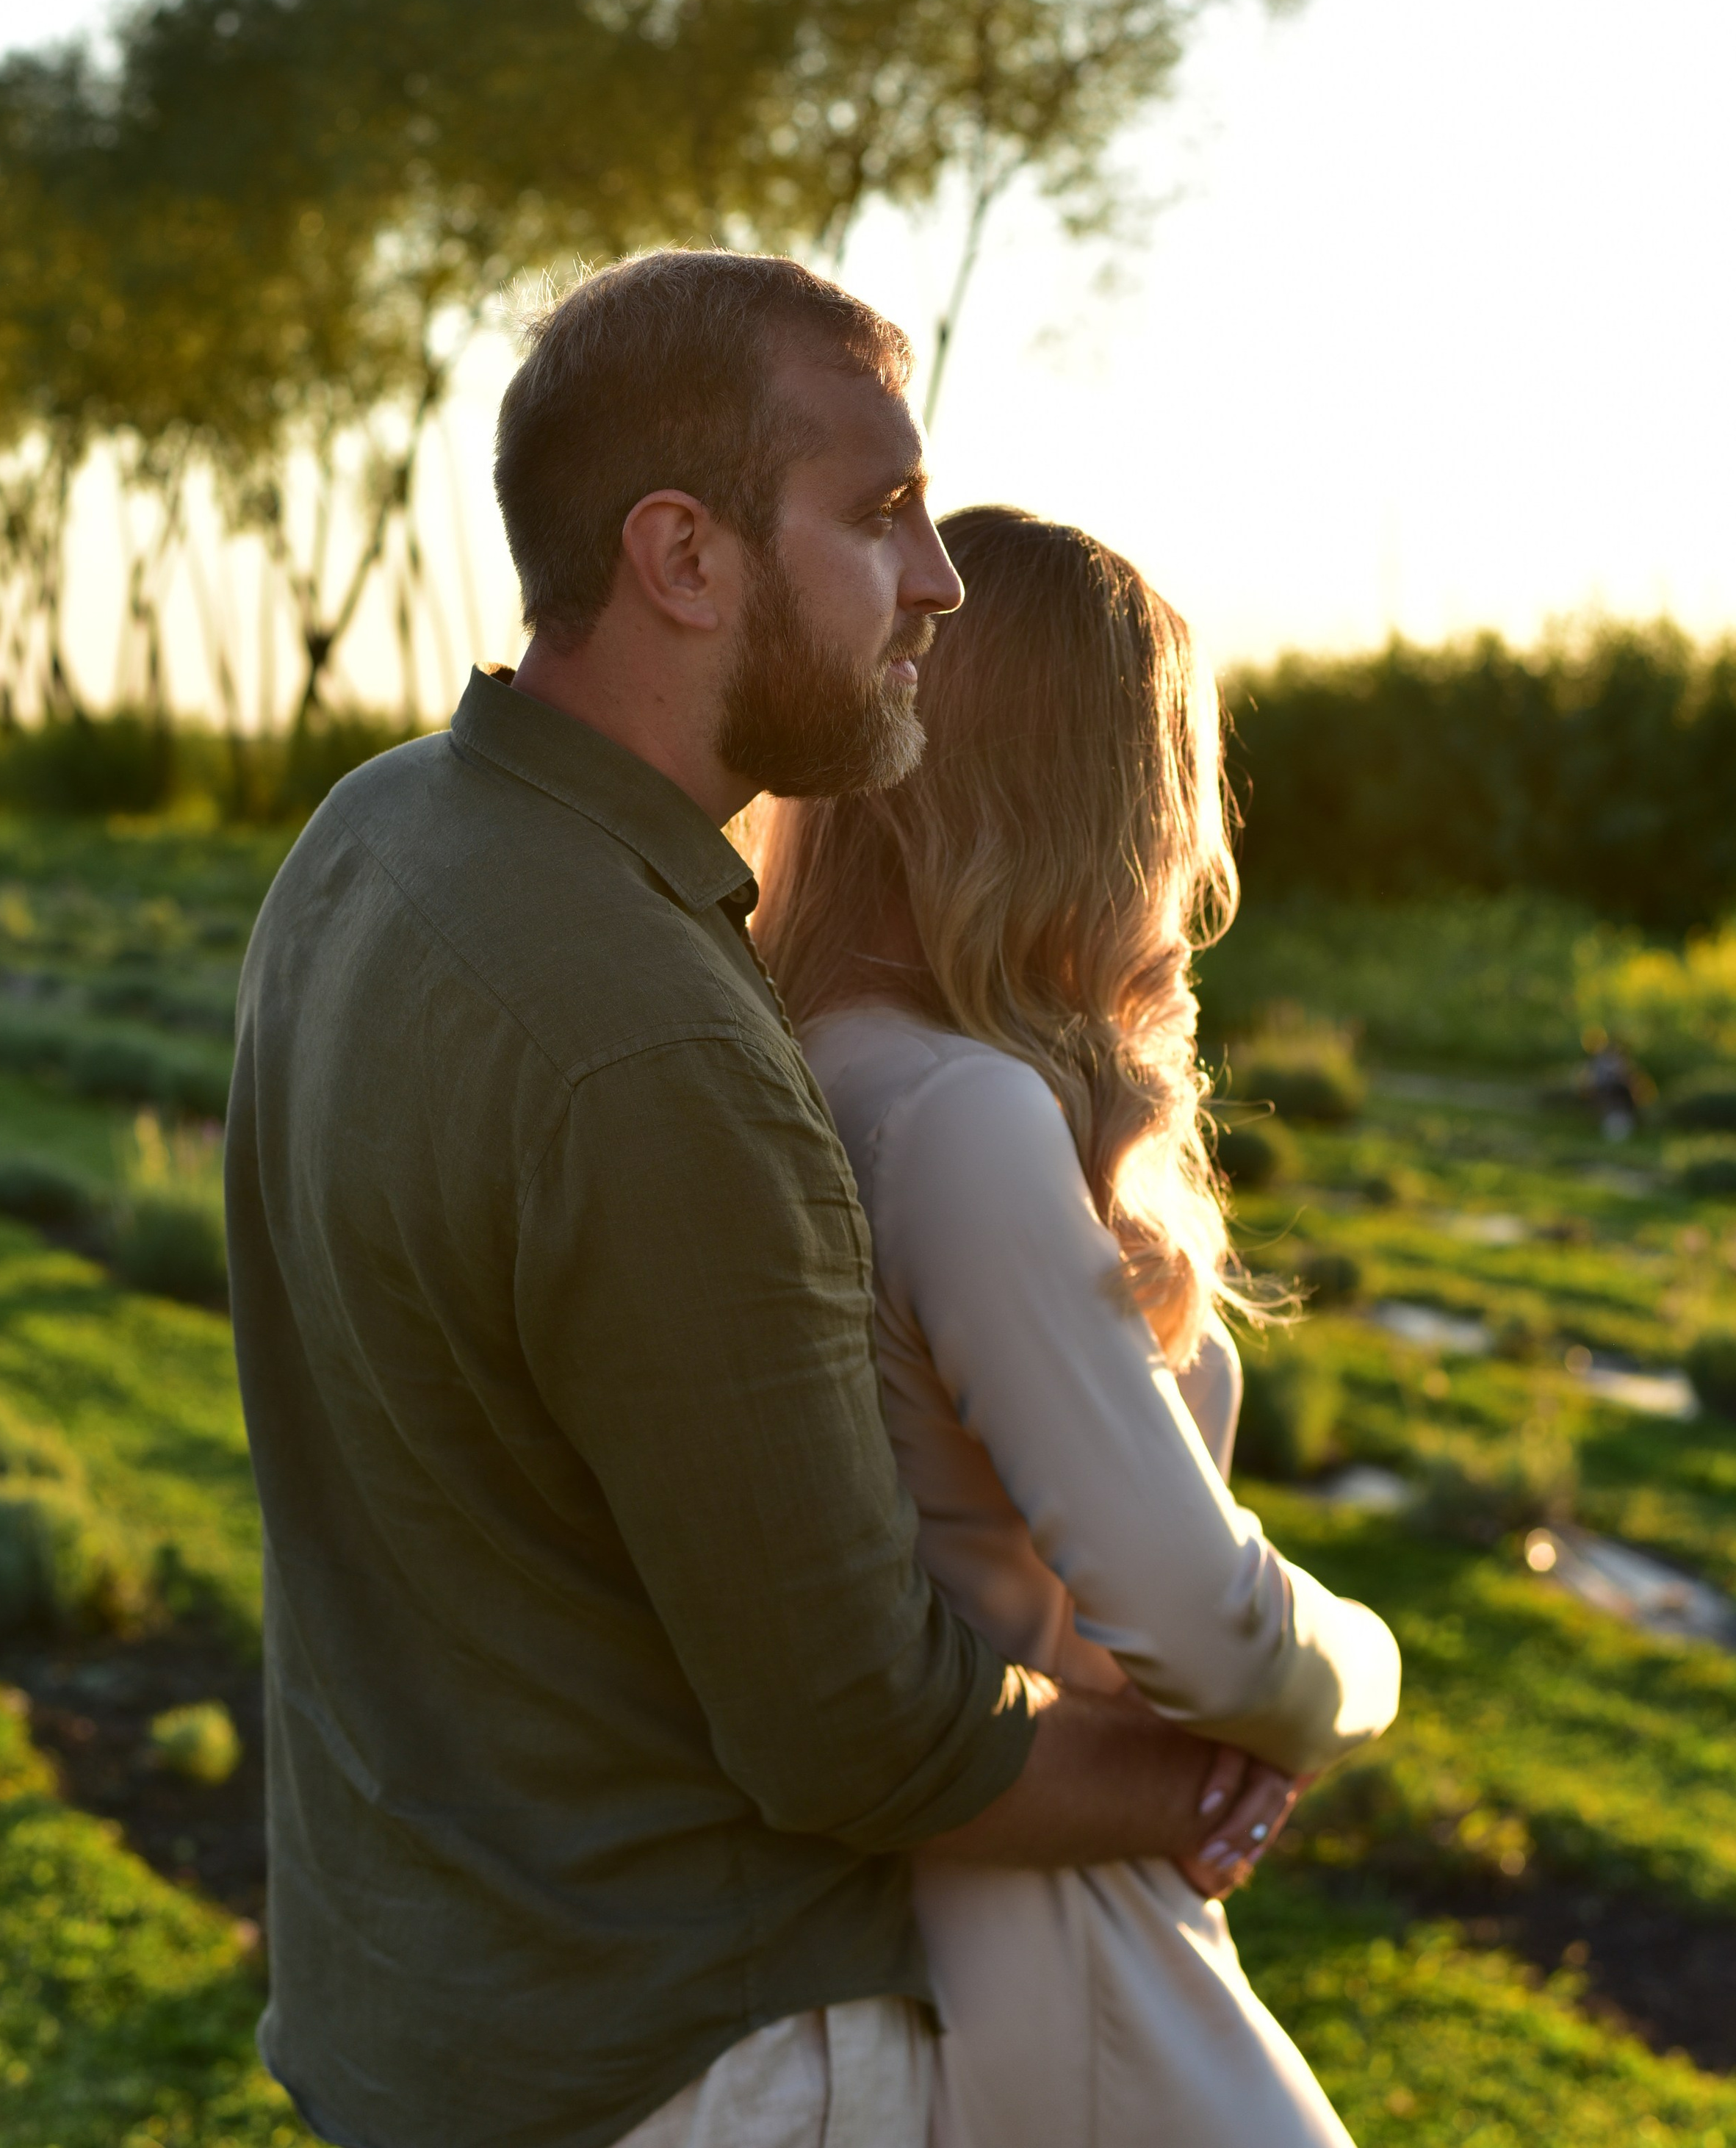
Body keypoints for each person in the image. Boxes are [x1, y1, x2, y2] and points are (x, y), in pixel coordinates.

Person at [226, 253, 1290, 2148]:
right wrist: (1214, 1764)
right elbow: (859, 1732)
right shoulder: (660, 1052)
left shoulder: (370, 836)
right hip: (694, 2061)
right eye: (880, 514)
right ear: (684, 559)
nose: (939, 580)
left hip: (427, 2017)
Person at [752, 504, 1402, 2148]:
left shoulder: (794, 1066)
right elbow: (1202, 1622)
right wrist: (1349, 1681)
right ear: (1093, 799)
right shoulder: (957, 1110)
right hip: (1063, 1965)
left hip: (917, 1936)